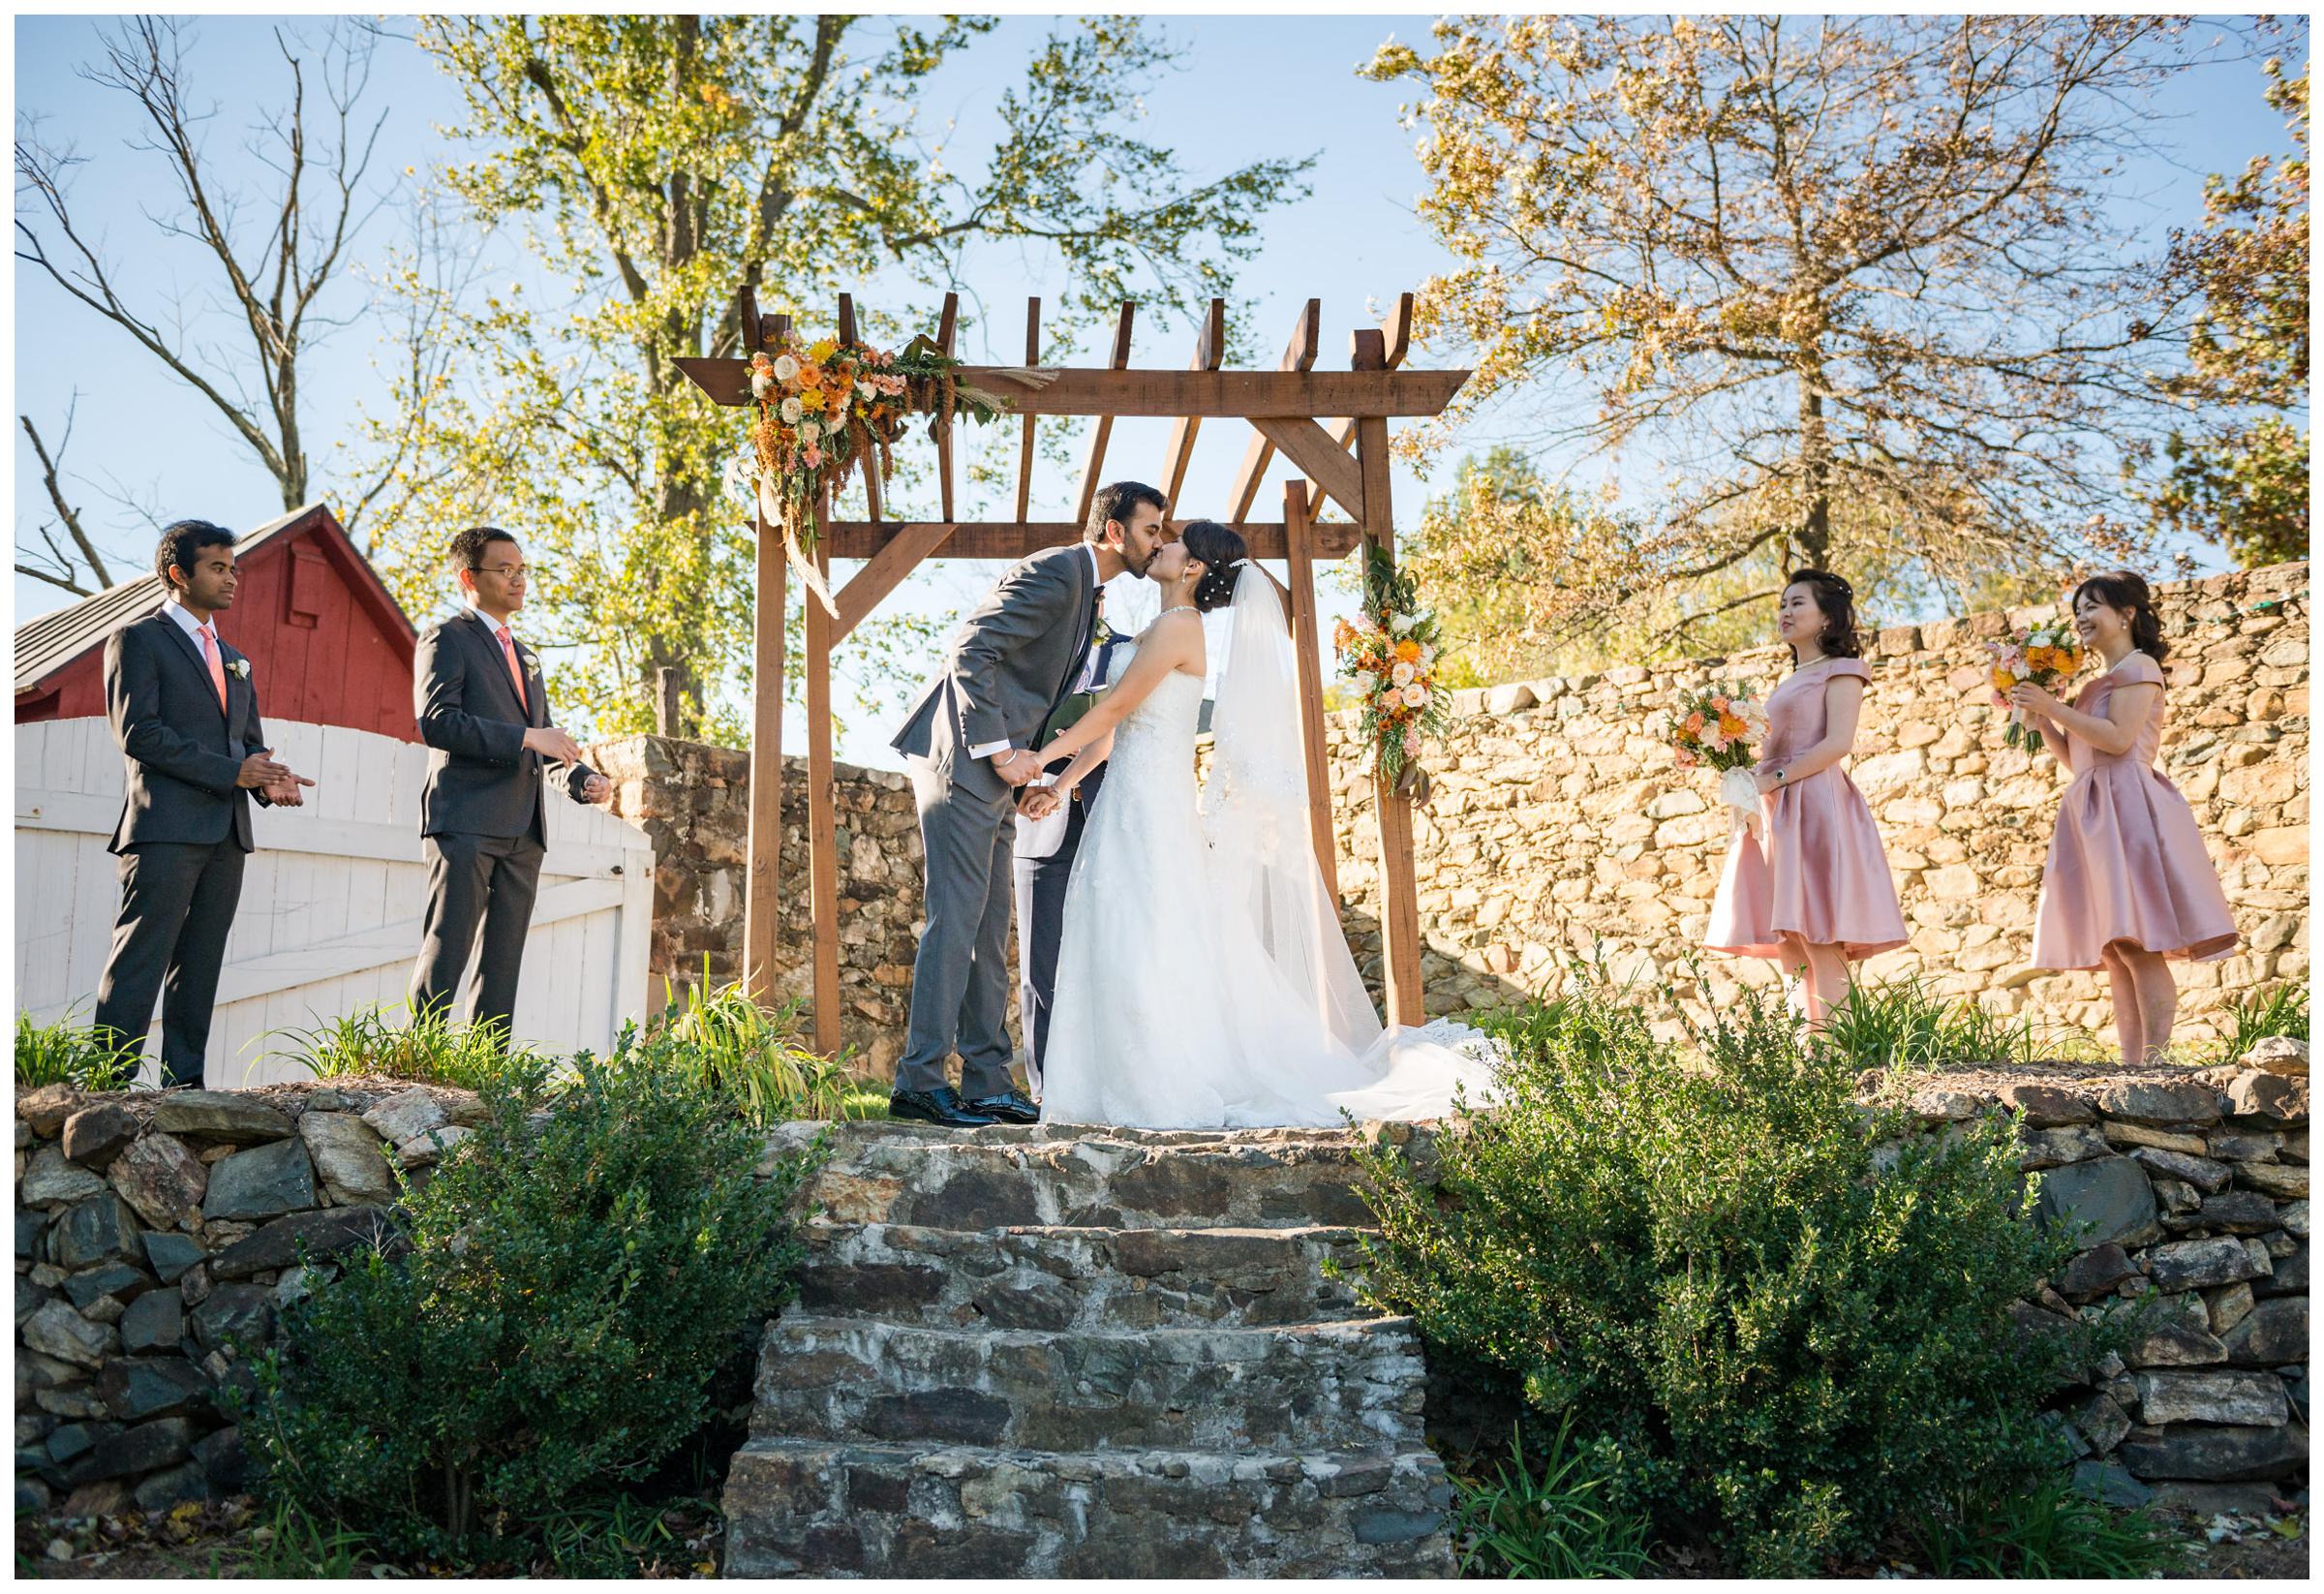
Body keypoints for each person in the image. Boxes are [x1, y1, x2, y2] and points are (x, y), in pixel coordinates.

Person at [1026, 520, 1500, 1128]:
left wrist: (1039, 758)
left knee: (1143, 932)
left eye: (1172, 544)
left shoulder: (1180, 627)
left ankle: (1156, 1083)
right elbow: (1116, 730)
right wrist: (1060, 785)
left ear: (1193, 568)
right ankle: (1106, 1085)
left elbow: (1115, 706)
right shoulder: (1155, 628)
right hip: (1122, 800)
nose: (1160, 547)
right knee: (1115, 925)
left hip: (1153, 807)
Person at [889, 480, 1175, 1127]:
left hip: (996, 771)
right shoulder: (1056, 572)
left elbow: (1031, 691)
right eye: (1151, 529)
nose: (1158, 540)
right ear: (1113, 531)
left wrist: (1026, 776)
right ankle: (919, 1080)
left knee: (988, 934)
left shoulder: (1086, 591)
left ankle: (987, 1081)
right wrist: (997, 754)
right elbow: (971, 651)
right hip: (960, 755)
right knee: (955, 920)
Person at [92, 519, 315, 1087]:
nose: (232, 578)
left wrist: (268, 777)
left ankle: (185, 1086)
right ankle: (110, 1086)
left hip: (227, 834)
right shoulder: (137, 640)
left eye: (233, 568)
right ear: (177, 574)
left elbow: (246, 741)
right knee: (140, 958)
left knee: (200, 966)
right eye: (217, 567)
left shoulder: (236, 658)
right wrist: (233, 770)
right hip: (164, 828)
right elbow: (140, 733)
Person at [2012, 569, 2237, 1062]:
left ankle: (2154, 1060)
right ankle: (2131, 1062)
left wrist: (2053, 704)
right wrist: (2042, 719)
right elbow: (2078, 758)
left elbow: (2116, 740)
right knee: (2114, 946)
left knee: (2137, 940)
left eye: (2092, 606)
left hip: (2127, 805)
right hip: (2091, 805)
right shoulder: (2095, 683)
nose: (2081, 617)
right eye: (2078, 609)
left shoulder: (2140, 669)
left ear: (2127, 613)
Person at [408, 526, 610, 1042]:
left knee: (503, 963)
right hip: (467, 820)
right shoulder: (445, 638)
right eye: (506, 570)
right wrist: (528, 736)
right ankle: (419, 1066)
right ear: (468, 577)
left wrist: (580, 777)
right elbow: (437, 722)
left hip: (524, 830)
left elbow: (542, 747)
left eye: (522, 569)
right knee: (447, 948)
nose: (519, 579)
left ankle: (486, 1078)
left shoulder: (526, 656)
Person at [1704, 569, 1907, 1030]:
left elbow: (1837, 743)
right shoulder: (1786, 681)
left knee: (1819, 933)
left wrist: (1772, 778)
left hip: (1817, 804)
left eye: (1798, 603)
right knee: (1790, 940)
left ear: (1826, 618)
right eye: (1782, 605)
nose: (1786, 612)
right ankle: (1807, 1057)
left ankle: (1843, 1056)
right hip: (1779, 811)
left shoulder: (1843, 671)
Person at [1011, 584, 1131, 1103]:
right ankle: (1046, 1088)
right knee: (1042, 960)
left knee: (1122, 951)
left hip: (1116, 812)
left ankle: (1116, 1077)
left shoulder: (1128, 653)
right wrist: (1026, 787)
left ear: (1099, 606)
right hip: (1039, 814)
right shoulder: (1021, 659)